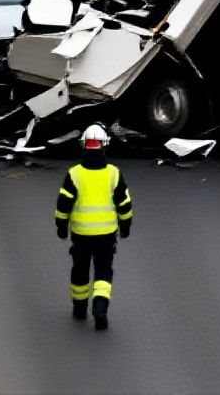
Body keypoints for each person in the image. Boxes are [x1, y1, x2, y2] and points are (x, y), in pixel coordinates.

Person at [55, 124, 134, 330]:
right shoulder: (113, 174)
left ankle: (80, 309)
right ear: (104, 146)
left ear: (84, 146)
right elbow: (124, 204)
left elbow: (63, 204)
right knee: (103, 271)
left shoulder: (75, 174)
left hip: (80, 235)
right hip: (106, 236)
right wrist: (125, 226)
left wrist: (61, 227)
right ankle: (100, 308)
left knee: (80, 271)